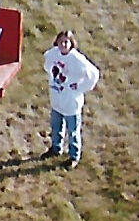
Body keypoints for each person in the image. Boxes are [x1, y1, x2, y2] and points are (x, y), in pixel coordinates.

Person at [42, 30, 100, 169]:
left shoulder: (77, 59)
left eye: (66, 42)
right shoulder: (53, 53)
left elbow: (93, 74)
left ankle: (74, 156)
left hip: (71, 104)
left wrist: (80, 87)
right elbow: (47, 63)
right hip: (57, 101)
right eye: (60, 41)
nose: (63, 44)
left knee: (73, 132)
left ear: (71, 43)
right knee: (56, 127)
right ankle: (56, 148)